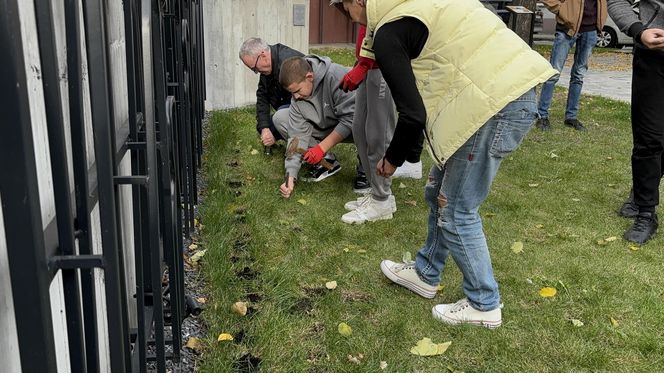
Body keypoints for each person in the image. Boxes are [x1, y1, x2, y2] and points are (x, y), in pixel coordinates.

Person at [335, 0, 556, 328]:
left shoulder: (389, 31)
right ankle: (425, 273)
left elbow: (412, 114)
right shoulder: (416, 5)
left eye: (344, 9)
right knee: (437, 192)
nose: (349, 18)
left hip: (494, 104)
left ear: (357, 2)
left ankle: (484, 303)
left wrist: (392, 160)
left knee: (456, 210)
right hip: (493, 95)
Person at [608, 0, 664, 244]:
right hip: (653, 58)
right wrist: (638, 30)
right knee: (649, 137)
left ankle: (641, 190)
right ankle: (646, 213)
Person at [336, 24, 397, 224]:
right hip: (365, 62)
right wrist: (361, 63)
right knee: (360, 130)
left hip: (382, 66)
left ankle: (382, 199)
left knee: (378, 134)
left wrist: (365, 64)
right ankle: (375, 191)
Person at [278, 55, 357, 198]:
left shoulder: (335, 75)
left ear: (309, 77)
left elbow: (351, 118)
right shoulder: (297, 97)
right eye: (292, 93)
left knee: (367, 119)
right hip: (327, 126)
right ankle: (327, 161)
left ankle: (367, 172)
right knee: (280, 118)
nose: (295, 97)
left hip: (356, 124)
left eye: (297, 91)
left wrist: (321, 148)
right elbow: (296, 136)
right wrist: (290, 176)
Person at [536, 0, 608, 131]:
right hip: (567, 29)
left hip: (591, 31)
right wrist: (562, 11)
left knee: (579, 76)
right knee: (553, 74)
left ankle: (571, 117)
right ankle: (542, 116)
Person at [239, 38, 303, 153]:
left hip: (308, 110)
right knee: (265, 124)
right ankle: (290, 141)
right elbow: (262, 97)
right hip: (289, 108)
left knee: (281, 114)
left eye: (254, 68)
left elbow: (304, 99)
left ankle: (304, 149)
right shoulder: (267, 69)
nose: (257, 72)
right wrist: (265, 128)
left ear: (263, 55)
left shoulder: (289, 63)